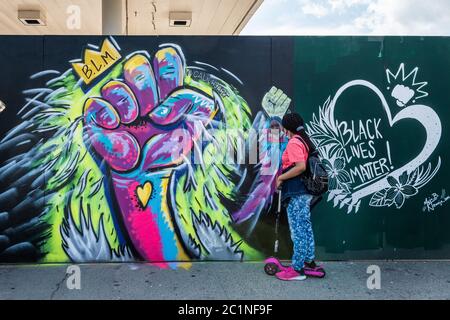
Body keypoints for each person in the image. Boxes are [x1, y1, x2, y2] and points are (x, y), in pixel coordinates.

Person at [275, 112, 319, 281]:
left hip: (296, 192)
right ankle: (309, 262)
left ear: (287, 128)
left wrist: (281, 177)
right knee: (305, 228)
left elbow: (300, 167)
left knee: (298, 231)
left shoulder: (294, 142)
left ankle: (297, 269)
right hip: (304, 192)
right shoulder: (304, 141)